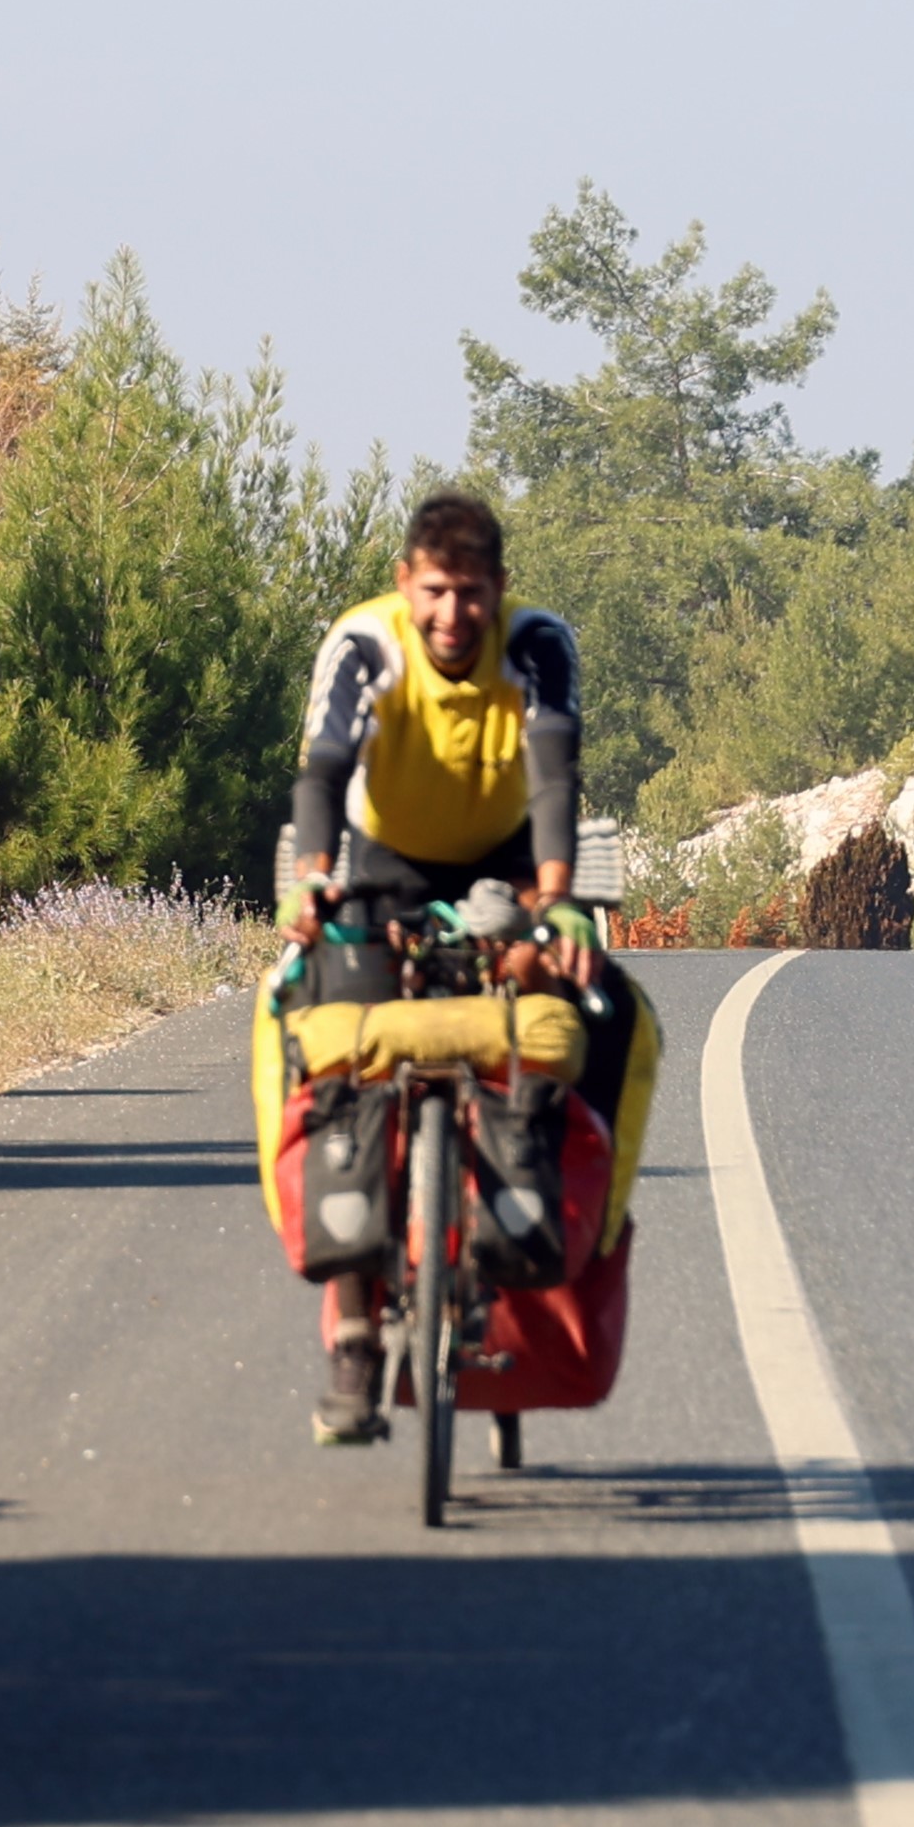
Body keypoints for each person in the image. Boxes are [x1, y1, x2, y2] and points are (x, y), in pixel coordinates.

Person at [275, 490, 604, 1442]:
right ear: (402, 584)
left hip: (506, 863)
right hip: (383, 864)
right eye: (433, 592)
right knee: (345, 1067)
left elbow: (552, 772)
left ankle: (531, 1254)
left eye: (469, 593)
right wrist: (309, 882)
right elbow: (323, 770)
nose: (450, 616)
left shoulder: (538, 645)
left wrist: (554, 902)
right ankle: (351, 1342)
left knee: (569, 1026)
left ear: (500, 588)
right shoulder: (362, 644)